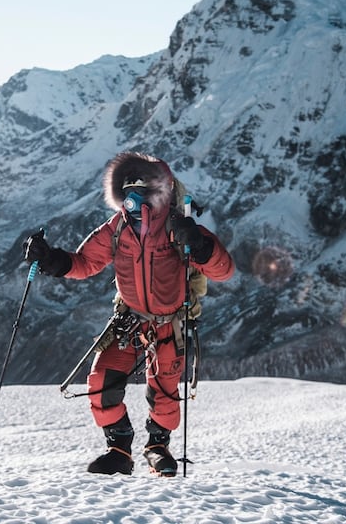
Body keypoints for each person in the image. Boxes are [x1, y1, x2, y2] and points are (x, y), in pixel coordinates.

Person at [23, 152, 235, 476]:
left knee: (164, 391)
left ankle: (157, 447)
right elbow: (85, 262)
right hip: (130, 318)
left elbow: (224, 270)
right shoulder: (117, 228)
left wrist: (201, 246)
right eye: (128, 190)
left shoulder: (178, 228)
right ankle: (119, 449)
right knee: (102, 379)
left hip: (169, 322)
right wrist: (52, 259)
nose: (134, 198)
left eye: (142, 188)